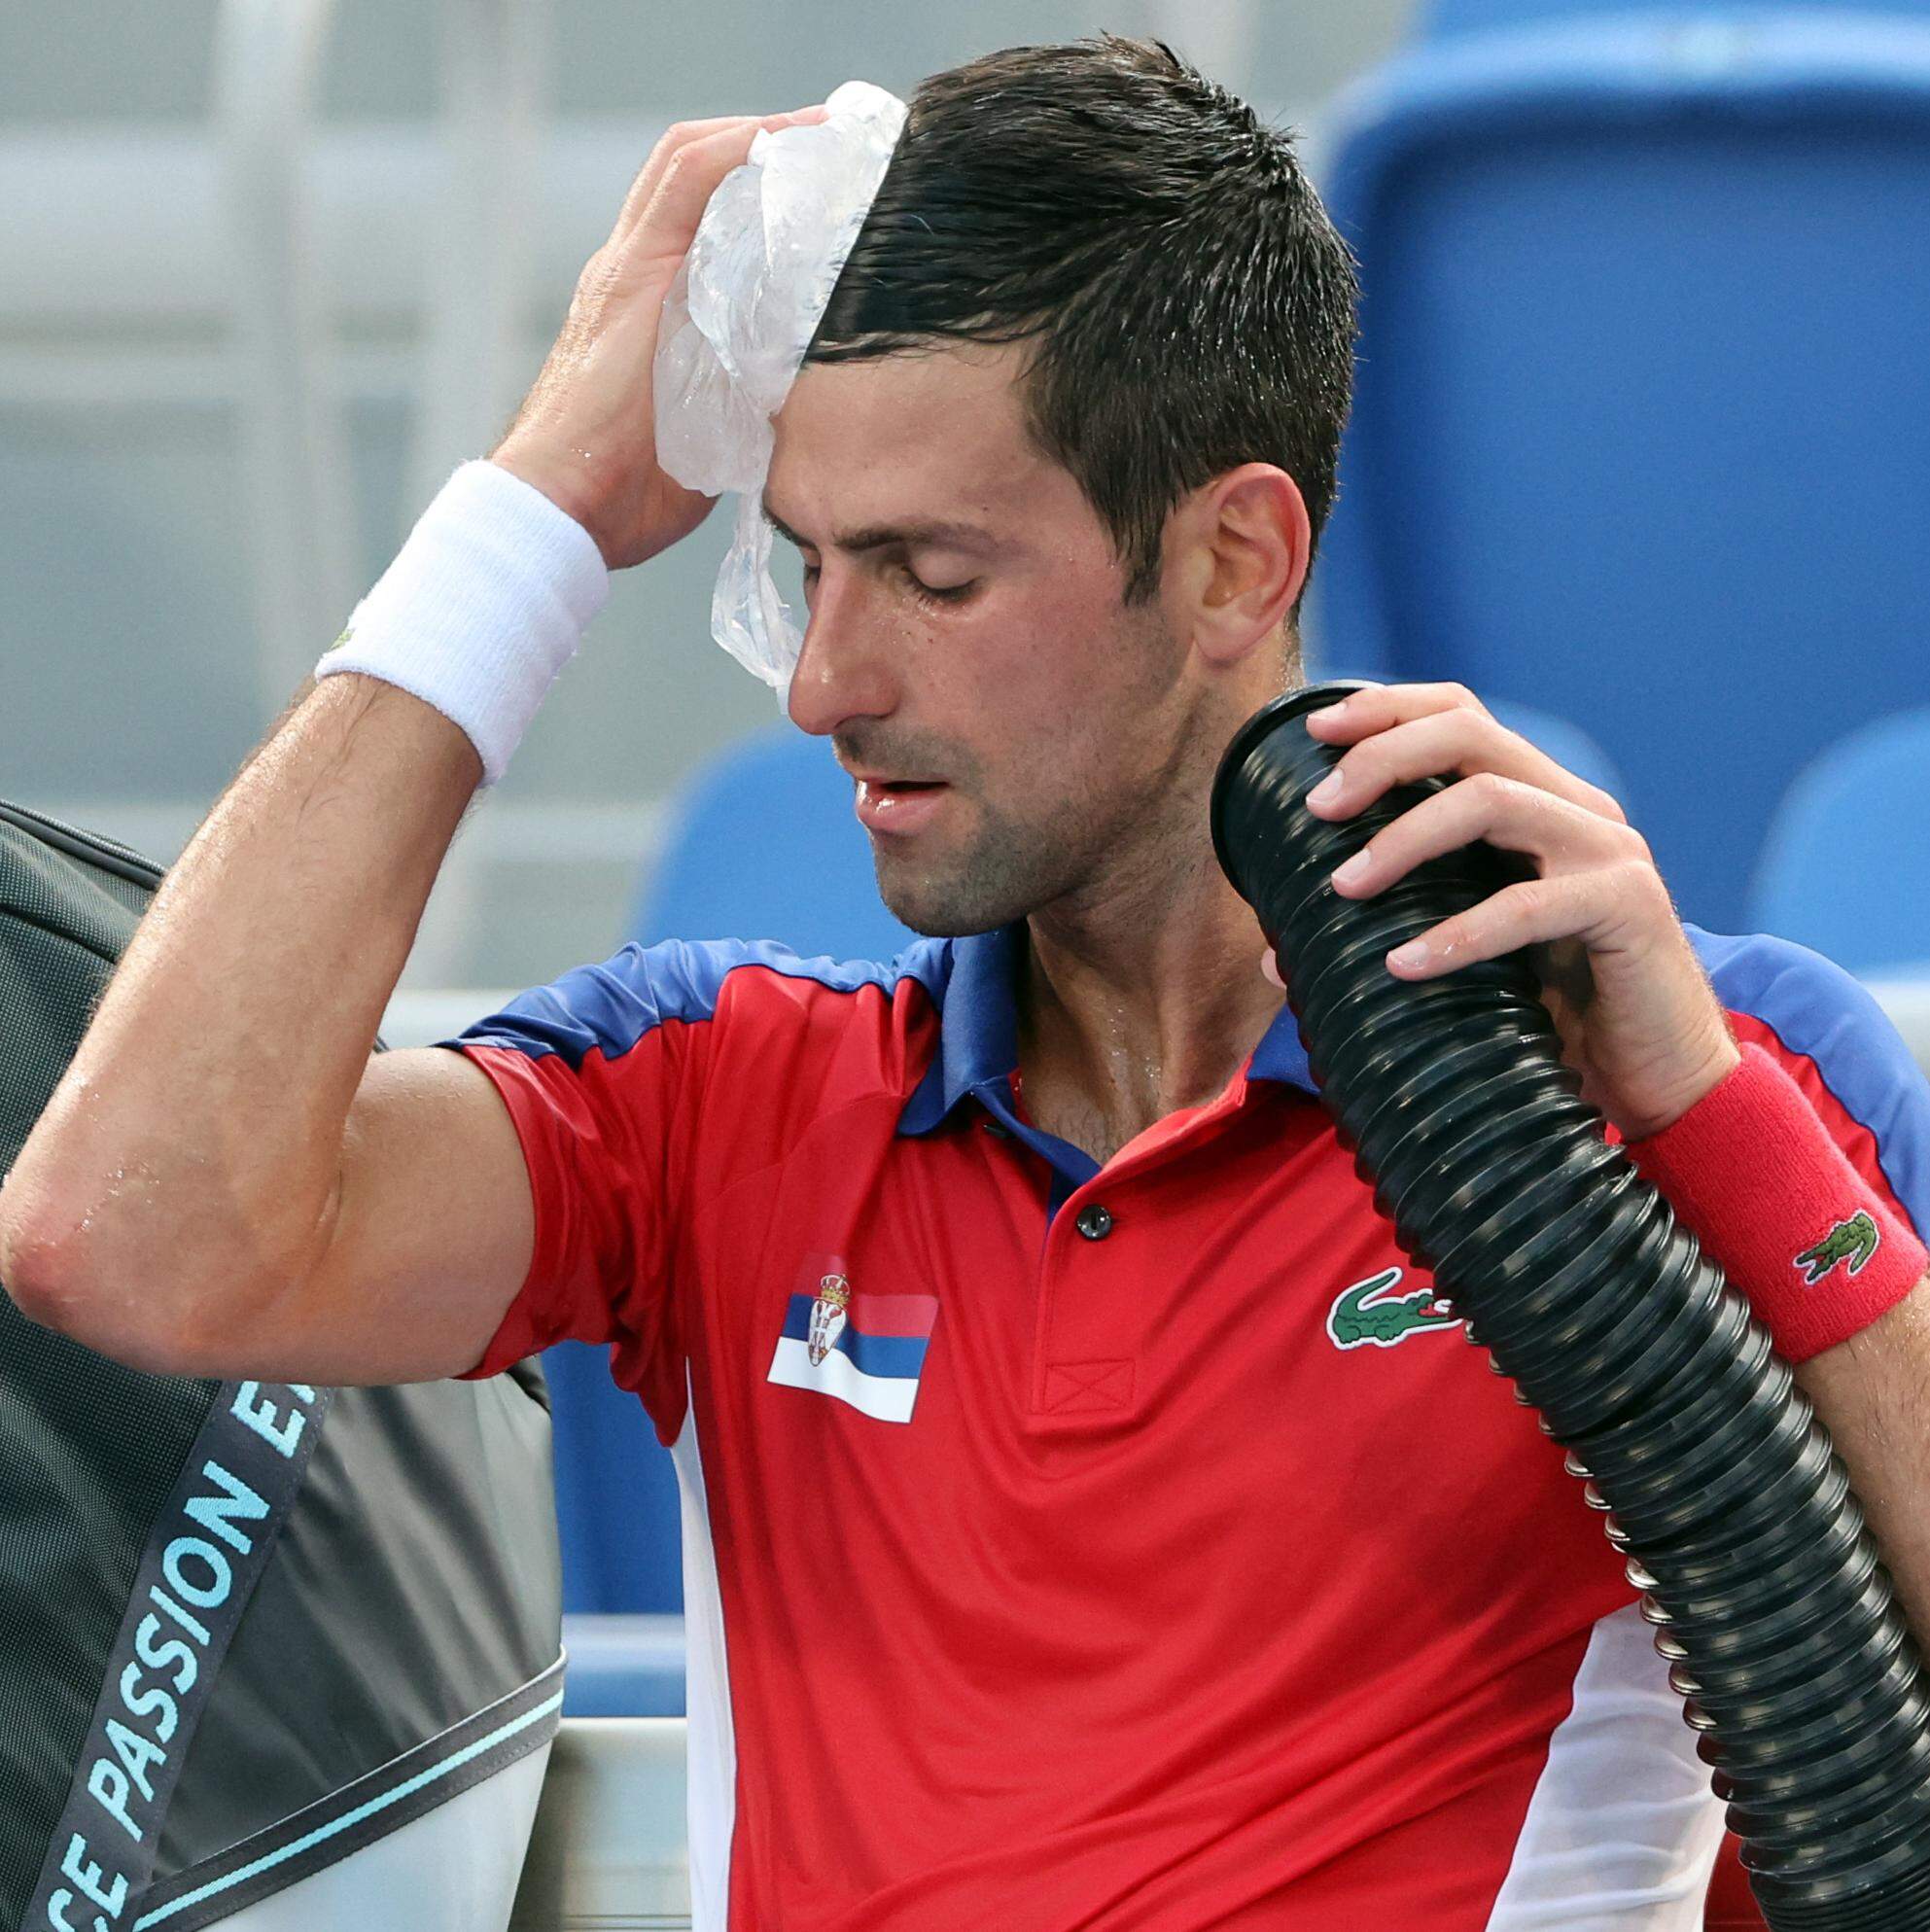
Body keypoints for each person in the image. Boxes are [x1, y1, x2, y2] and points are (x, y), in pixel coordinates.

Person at [5, 33, 1930, 1932]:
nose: (826, 682)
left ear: (1233, 564)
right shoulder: (709, 1092)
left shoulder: (1708, 1077)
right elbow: (133, 1239)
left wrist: (1704, 1117)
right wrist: (535, 509)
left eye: (930, 576)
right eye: (802, 568)